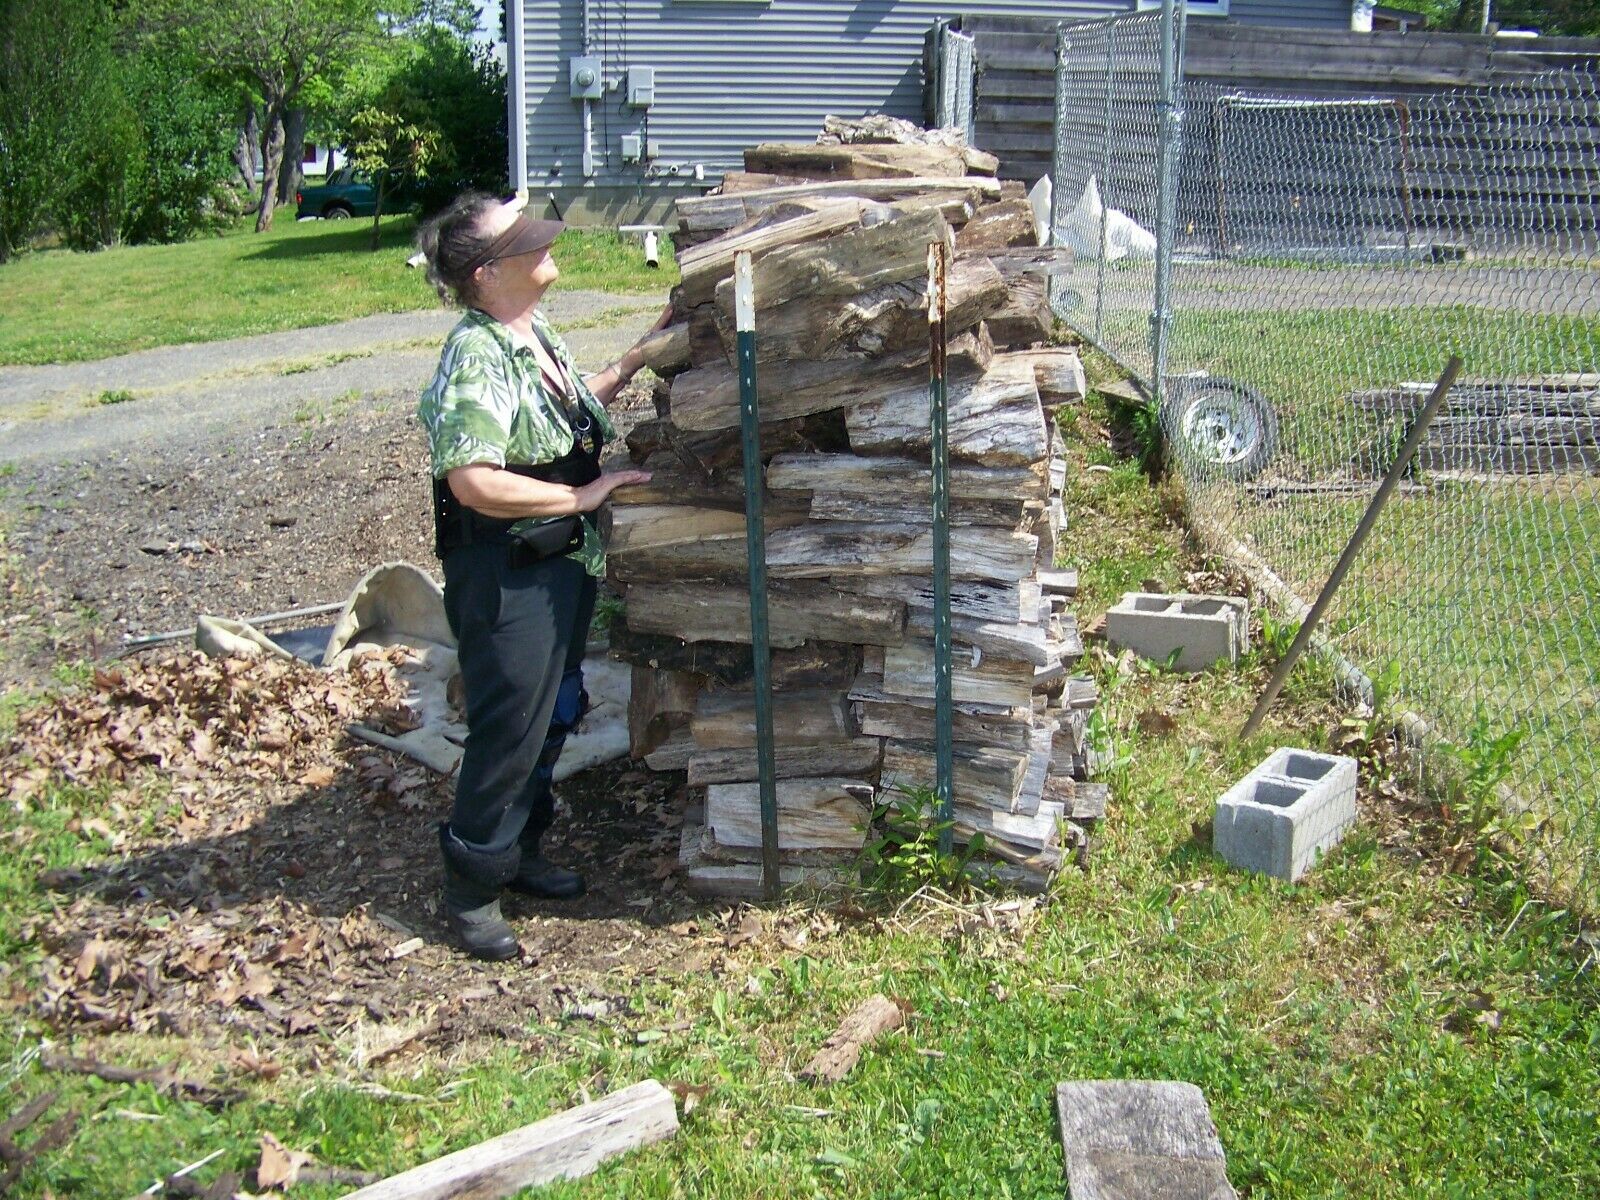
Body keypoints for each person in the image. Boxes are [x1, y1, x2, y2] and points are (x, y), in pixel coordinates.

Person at [414, 191, 663, 960]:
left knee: (553, 710)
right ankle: (471, 889)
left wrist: (635, 358)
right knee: (510, 728)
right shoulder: (476, 352)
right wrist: (583, 497)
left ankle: (518, 853)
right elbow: (473, 480)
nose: (543, 243)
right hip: (506, 573)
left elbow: (562, 419)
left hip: (556, 564)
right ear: (486, 274)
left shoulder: (530, 331)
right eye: (520, 239)